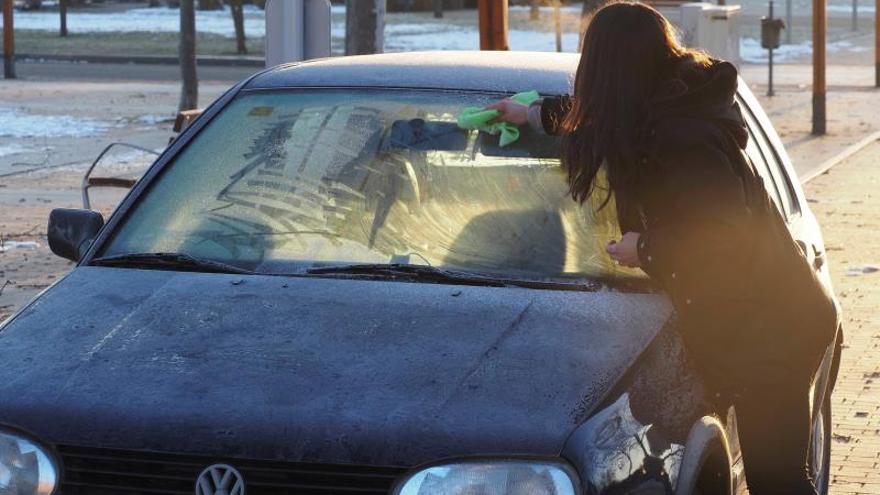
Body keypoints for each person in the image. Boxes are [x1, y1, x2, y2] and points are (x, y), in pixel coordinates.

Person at [487, 3, 840, 495]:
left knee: (777, 480)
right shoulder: (663, 107)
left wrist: (649, 249)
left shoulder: (683, 138)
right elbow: (610, 124)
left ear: (607, 67)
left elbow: (726, 235)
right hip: (766, 318)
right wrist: (534, 115)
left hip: (776, 329)